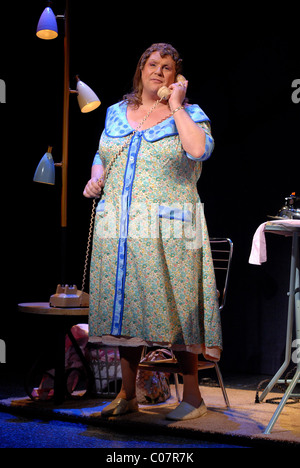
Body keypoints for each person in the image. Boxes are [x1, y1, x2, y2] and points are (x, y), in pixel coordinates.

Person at [83, 43, 222, 421]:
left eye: (169, 67)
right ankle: (127, 395)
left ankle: (192, 398)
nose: (159, 71)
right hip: (120, 226)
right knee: (124, 307)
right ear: (141, 69)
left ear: (177, 78)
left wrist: (176, 104)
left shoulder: (190, 114)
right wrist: (96, 179)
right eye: (153, 64)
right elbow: (102, 156)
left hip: (172, 227)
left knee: (178, 306)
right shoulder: (115, 112)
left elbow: (198, 150)